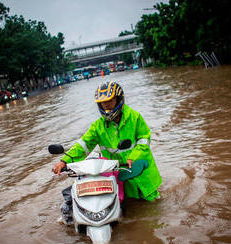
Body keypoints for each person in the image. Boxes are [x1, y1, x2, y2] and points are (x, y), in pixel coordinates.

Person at [52, 81, 162, 224]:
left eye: (110, 100)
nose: (106, 105)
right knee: (126, 213)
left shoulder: (135, 117)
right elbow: (83, 144)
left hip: (141, 172)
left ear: (119, 99)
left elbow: (144, 140)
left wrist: (133, 157)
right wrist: (63, 161)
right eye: (103, 103)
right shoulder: (98, 126)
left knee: (155, 213)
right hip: (118, 175)